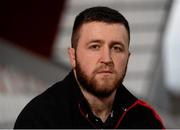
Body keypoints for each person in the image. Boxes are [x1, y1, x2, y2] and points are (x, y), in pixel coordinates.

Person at [14, 6, 165, 129]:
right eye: (95, 46)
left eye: (117, 48)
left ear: (128, 58)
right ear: (73, 56)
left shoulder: (147, 121)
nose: (106, 59)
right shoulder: (39, 118)